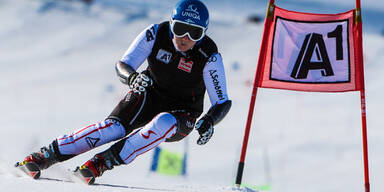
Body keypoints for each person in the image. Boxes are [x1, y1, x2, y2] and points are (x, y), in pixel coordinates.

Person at [18, 0, 231, 185]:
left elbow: (222, 101)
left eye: (194, 33)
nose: (185, 37)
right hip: (149, 95)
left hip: (182, 113)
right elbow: (123, 64)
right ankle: (43, 156)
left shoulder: (209, 55)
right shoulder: (156, 33)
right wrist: (132, 78)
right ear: (171, 24)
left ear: (203, 34)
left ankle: (100, 163)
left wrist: (210, 121)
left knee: (163, 122)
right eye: (180, 29)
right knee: (113, 128)